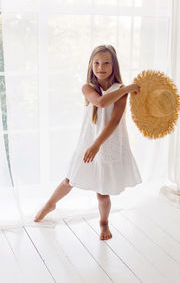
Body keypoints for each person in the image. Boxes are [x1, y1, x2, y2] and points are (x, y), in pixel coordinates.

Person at [34, 44, 142, 240]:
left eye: (106, 63)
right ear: (91, 65)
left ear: (114, 66)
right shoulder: (88, 87)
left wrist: (98, 144)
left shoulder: (120, 91)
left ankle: (104, 223)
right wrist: (127, 88)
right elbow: (101, 102)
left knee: (103, 191)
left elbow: (115, 121)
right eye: (97, 63)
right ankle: (50, 204)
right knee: (70, 179)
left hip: (108, 143)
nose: (101, 67)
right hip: (88, 142)